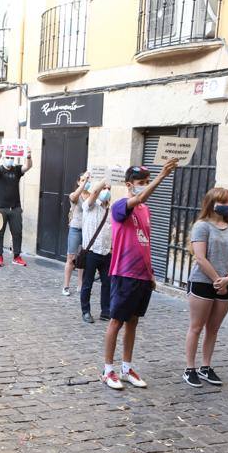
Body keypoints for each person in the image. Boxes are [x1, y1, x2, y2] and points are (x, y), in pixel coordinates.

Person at [101, 160, 178, 390]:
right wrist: (162, 176)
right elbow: (139, 199)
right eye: (140, 183)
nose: (144, 186)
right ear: (129, 184)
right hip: (124, 272)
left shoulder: (146, 211)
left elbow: (144, 242)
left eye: (146, 182)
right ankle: (107, 370)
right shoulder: (120, 205)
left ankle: (126, 367)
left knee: (133, 321)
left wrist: (151, 272)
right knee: (116, 321)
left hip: (142, 275)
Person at [184, 188, 228, 387]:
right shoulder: (202, 226)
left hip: (226, 283)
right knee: (196, 327)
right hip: (203, 281)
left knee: (213, 329)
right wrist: (217, 279)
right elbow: (200, 257)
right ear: (212, 202)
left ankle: (206, 366)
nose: (226, 205)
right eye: (223, 201)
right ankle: (190, 368)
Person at [0, 148, 33, 267]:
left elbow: (27, 167)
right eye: (7, 158)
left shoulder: (16, 169)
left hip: (15, 208)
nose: (9, 160)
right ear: (4, 159)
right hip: (0, 208)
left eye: (11, 158)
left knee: (17, 233)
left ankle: (16, 256)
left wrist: (29, 156)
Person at [79, 178, 113, 323]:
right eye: (104, 189)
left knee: (107, 283)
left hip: (106, 252)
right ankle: (85, 311)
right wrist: (103, 181)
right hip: (91, 252)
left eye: (109, 189)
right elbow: (93, 192)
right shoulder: (89, 205)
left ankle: (106, 311)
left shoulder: (110, 211)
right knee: (87, 283)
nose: (106, 191)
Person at [62, 174, 89, 295]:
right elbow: (73, 198)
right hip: (76, 228)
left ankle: (80, 285)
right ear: (78, 182)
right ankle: (66, 286)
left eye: (87, 180)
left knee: (82, 259)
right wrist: (84, 184)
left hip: (87, 230)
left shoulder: (91, 195)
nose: (86, 182)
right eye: (83, 180)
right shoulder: (75, 194)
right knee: (71, 258)